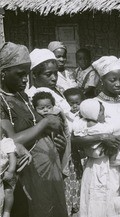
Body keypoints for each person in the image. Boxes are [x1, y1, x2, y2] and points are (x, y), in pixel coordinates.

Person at [0, 42, 68, 217]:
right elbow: (12, 141)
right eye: (19, 74)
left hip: (45, 174)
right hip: (23, 179)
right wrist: (45, 124)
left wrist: (57, 142)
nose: (25, 79)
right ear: (3, 73)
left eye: (26, 74)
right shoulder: (2, 102)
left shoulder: (24, 96)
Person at [74, 55, 120, 217]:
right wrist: (103, 138)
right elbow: (76, 138)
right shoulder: (92, 105)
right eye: (113, 80)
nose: (118, 83)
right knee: (104, 204)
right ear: (102, 80)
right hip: (102, 164)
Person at [27, 48, 82, 217]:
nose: (53, 78)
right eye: (47, 74)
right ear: (34, 76)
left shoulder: (55, 91)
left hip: (67, 150)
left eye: (55, 73)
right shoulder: (36, 97)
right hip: (54, 156)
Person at [73, 98, 120, 166]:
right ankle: (112, 160)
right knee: (115, 144)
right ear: (94, 113)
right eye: (101, 111)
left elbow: (75, 127)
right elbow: (110, 130)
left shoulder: (81, 122)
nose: (104, 114)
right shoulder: (98, 126)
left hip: (88, 151)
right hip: (100, 150)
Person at [0, 138, 17, 217]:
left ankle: (7, 212)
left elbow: (12, 157)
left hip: (3, 177)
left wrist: (10, 171)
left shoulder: (4, 143)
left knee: (8, 191)